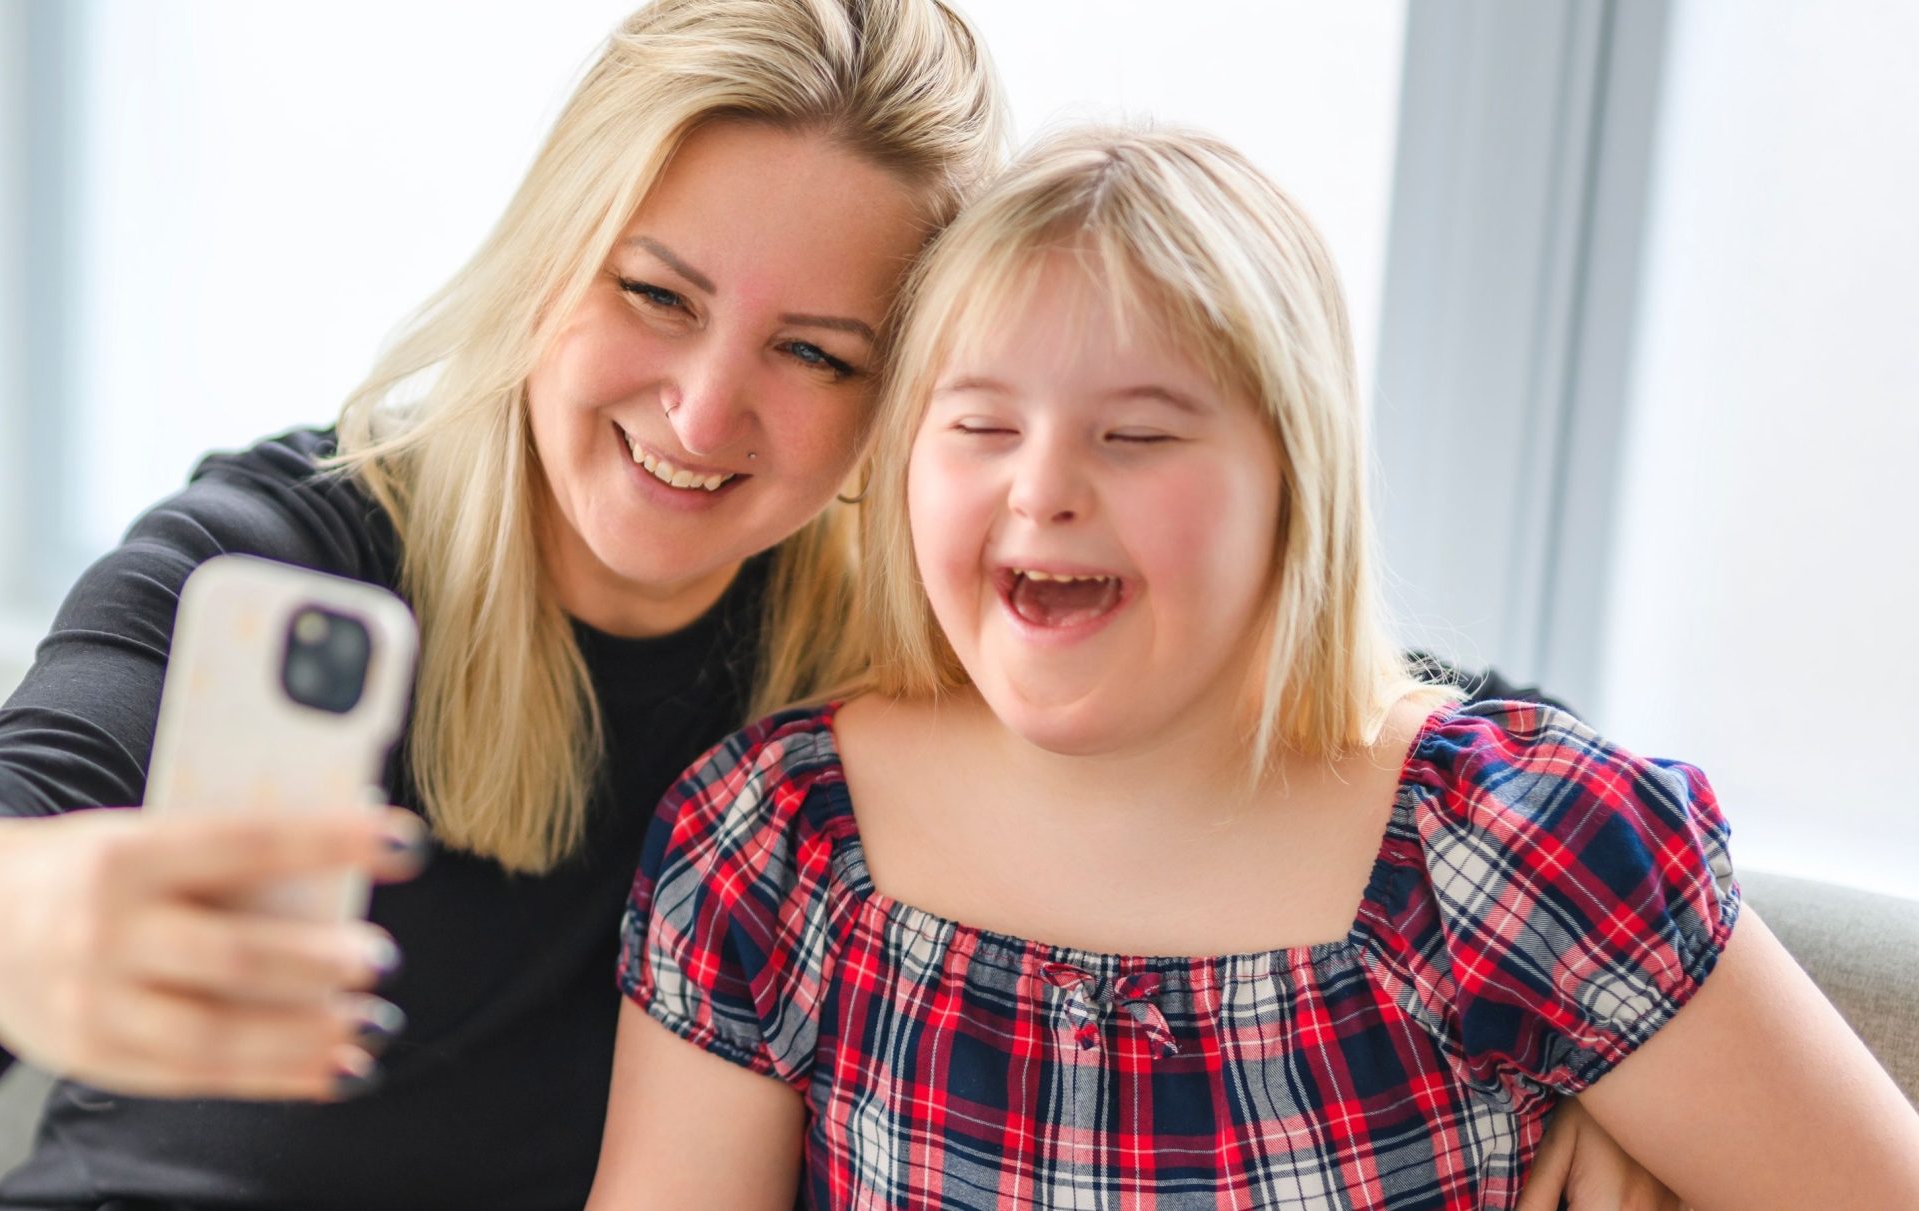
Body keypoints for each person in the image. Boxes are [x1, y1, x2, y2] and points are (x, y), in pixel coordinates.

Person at [0, 3, 1676, 1207]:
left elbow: (1344, 690)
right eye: (653, 294)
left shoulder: (907, 648)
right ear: (550, 253)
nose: (706, 412)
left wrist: (1587, 1046)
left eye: (815, 351)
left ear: (905, 400)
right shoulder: (298, 551)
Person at [593, 123, 1919, 1208]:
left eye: (1140, 436)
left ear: (1296, 485)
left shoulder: (1519, 858)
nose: (1042, 487)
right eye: (982, 423)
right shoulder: (775, 844)